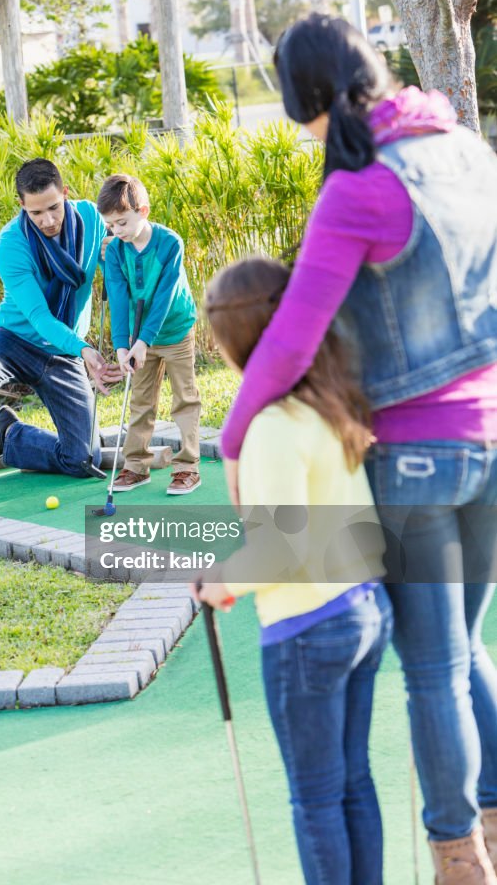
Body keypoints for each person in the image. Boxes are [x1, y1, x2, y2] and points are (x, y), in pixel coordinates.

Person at [220, 14, 497, 882]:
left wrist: (235, 434)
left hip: (416, 459)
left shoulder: (359, 187)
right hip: (491, 436)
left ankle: (459, 854)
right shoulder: (465, 151)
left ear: (305, 98)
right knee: (464, 650)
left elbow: (295, 336)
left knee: (434, 670)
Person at [196, 255, 392, 885]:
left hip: (308, 628)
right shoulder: (329, 404)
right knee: (352, 780)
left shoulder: (274, 426)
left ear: (234, 343)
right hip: (363, 610)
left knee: (314, 795)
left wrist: (221, 581)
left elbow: (280, 549)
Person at [0, 158, 121, 499]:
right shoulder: (10, 245)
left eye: (54, 208)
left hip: (62, 350)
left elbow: (116, 267)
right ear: (22, 206)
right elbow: (39, 318)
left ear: (66, 193)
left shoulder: (92, 219)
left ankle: (9, 435)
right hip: (15, 339)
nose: (48, 220)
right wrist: (85, 350)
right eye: (36, 213)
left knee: (83, 459)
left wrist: (114, 253)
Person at [97, 173, 201, 495]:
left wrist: (143, 341)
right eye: (111, 226)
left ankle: (187, 468)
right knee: (141, 401)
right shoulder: (115, 251)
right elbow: (117, 297)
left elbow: (163, 298)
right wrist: (122, 346)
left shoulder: (170, 243)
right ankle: (136, 466)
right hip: (138, 337)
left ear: (143, 211)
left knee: (185, 398)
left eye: (122, 223)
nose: (117, 232)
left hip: (174, 330)